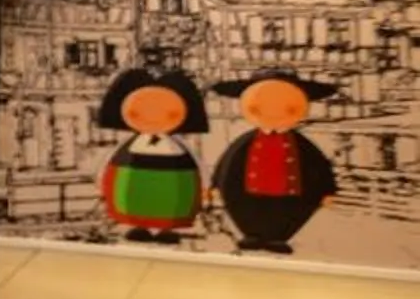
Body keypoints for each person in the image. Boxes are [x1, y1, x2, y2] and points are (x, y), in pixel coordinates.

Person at [208, 70, 340, 255]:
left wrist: (328, 190)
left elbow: (319, 166)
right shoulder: (245, 142)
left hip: (289, 192)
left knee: (284, 213)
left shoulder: (302, 146)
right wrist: (216, 184)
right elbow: (229, 162)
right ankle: (251, 234)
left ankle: (279, 237)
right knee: (250, 210)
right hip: (249, 191)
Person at [94, 65, 206, 243]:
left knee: (168, 202)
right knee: (138, 201)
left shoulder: (177, 145)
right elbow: (107, 164)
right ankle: (139, 226)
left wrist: (205, 188)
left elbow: (199, 166)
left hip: (174, 181)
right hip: (135, 181)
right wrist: (102, 185)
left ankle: (166, 229)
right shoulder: (130, 145)